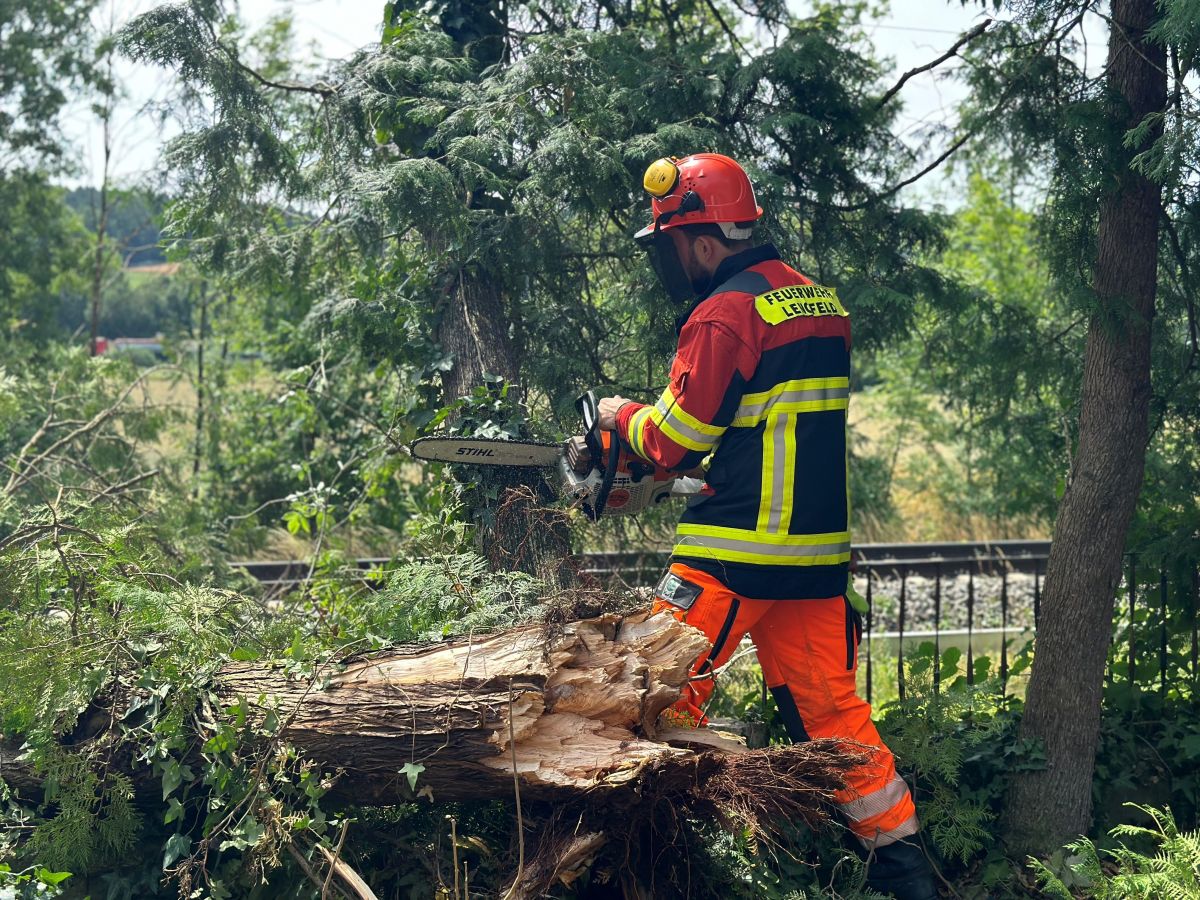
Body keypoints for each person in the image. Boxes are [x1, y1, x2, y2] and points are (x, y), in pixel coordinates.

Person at [596, 153, 938, 900]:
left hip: (730, 554)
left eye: (671, 245)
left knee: (655, 694)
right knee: (836, 716)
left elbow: (674, 438)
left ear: (705, 242)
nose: (672, 262)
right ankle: (909, 878)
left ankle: (639, 871)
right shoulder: (818, 303)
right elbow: (767, 429)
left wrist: (621, 421)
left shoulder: (724, 314)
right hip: (812, 561)